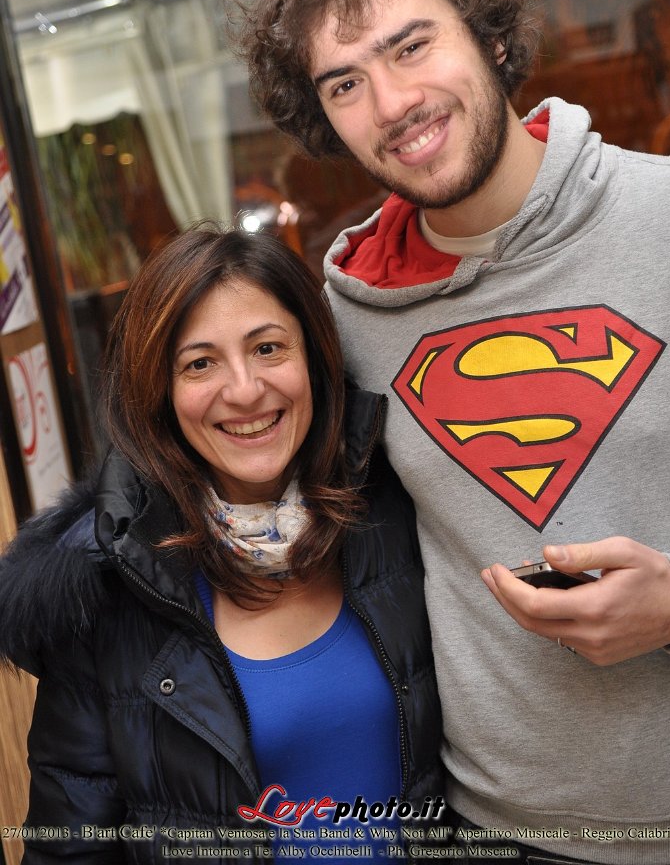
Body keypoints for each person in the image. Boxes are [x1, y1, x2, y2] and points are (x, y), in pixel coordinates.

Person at [234, 0, 670, 864]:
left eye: (409, 45)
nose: (391, 104)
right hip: (490, 828)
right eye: (344, 84)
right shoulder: (348, 316)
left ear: (487, 33)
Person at [0, 225, 443, 863]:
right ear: (159, 392)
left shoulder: (396, 512)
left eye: (268, 348)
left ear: (315, 358)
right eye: (200, 363)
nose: (244, 390)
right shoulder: (109, 589)